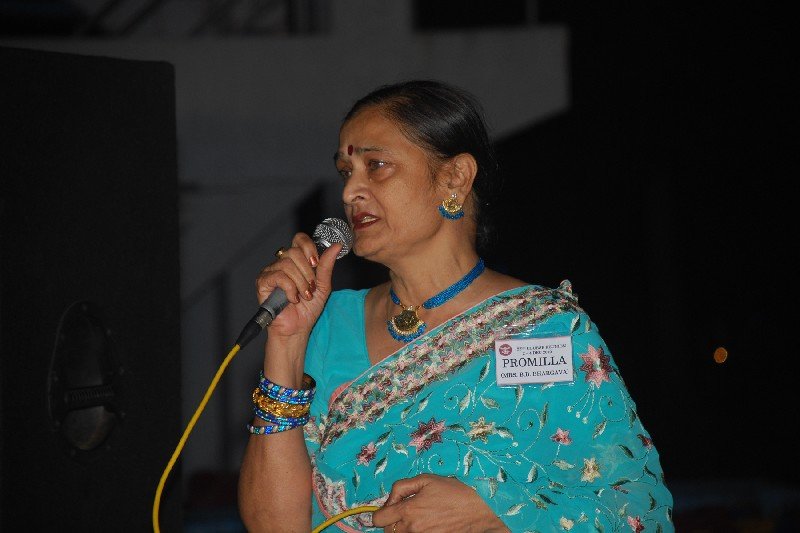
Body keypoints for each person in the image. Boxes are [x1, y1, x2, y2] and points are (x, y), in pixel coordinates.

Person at [238, 80, 674, 532]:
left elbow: (639, 513)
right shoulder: (326, 326)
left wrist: (495, 514)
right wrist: (287, 342)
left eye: (377, 166)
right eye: (346, 171)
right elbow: (273, 527)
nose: (350, 192)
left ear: (455, 178)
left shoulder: (544, 329)